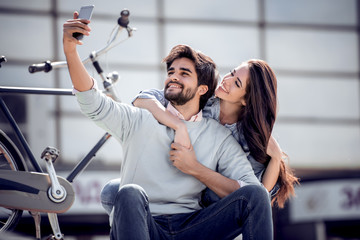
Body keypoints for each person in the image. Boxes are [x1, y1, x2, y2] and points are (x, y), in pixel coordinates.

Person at [63, 12, 273, 240]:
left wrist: (194, 167)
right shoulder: (139, 119)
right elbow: (92, 101)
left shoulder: (219, 136)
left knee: (255, 194)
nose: (174, 77)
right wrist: (71, 51)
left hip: (191, 228)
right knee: (129, 193)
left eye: (184, 74)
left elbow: (249, 191)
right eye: (171, 72)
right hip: (143, 224)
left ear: (203, 89)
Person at [102, 61, 299, 210]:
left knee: (213, 196)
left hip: (209, 201)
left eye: (236, 83)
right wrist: (179, 126)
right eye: (231, 73)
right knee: (112, 192)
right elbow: (143, 98)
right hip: (173, 179)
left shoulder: (249, 138)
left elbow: (257, 198)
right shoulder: (202, 97)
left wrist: (275, 159)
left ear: (247, 100)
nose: (227, 81)